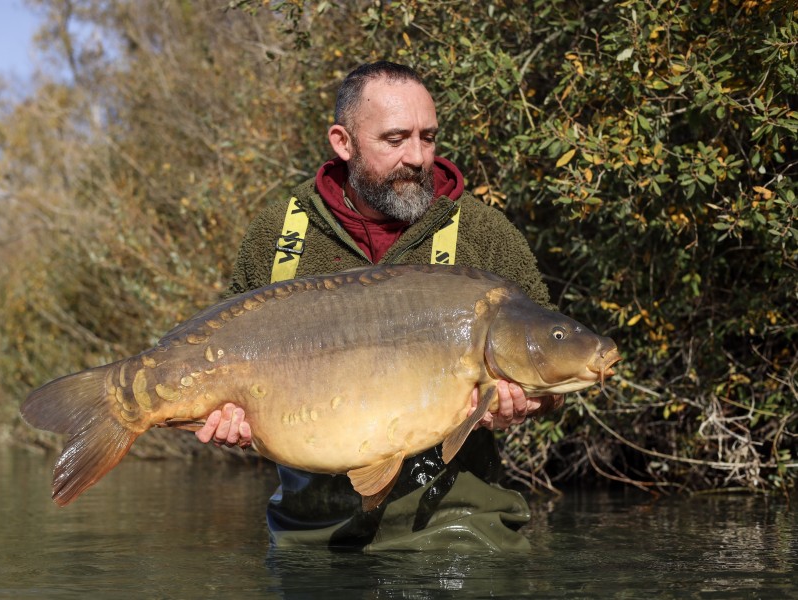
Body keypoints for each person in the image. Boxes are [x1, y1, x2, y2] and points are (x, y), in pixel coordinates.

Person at [195, 61, 560, 551]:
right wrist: (226, 417)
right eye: (395, 139)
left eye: (427, 137)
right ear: (343, 142)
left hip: (455, 531)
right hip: (312, 537)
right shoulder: (279, 235)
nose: (417, 157)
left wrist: (532, 402)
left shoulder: (485, 236)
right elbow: (222, 356)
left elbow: (549, 361)